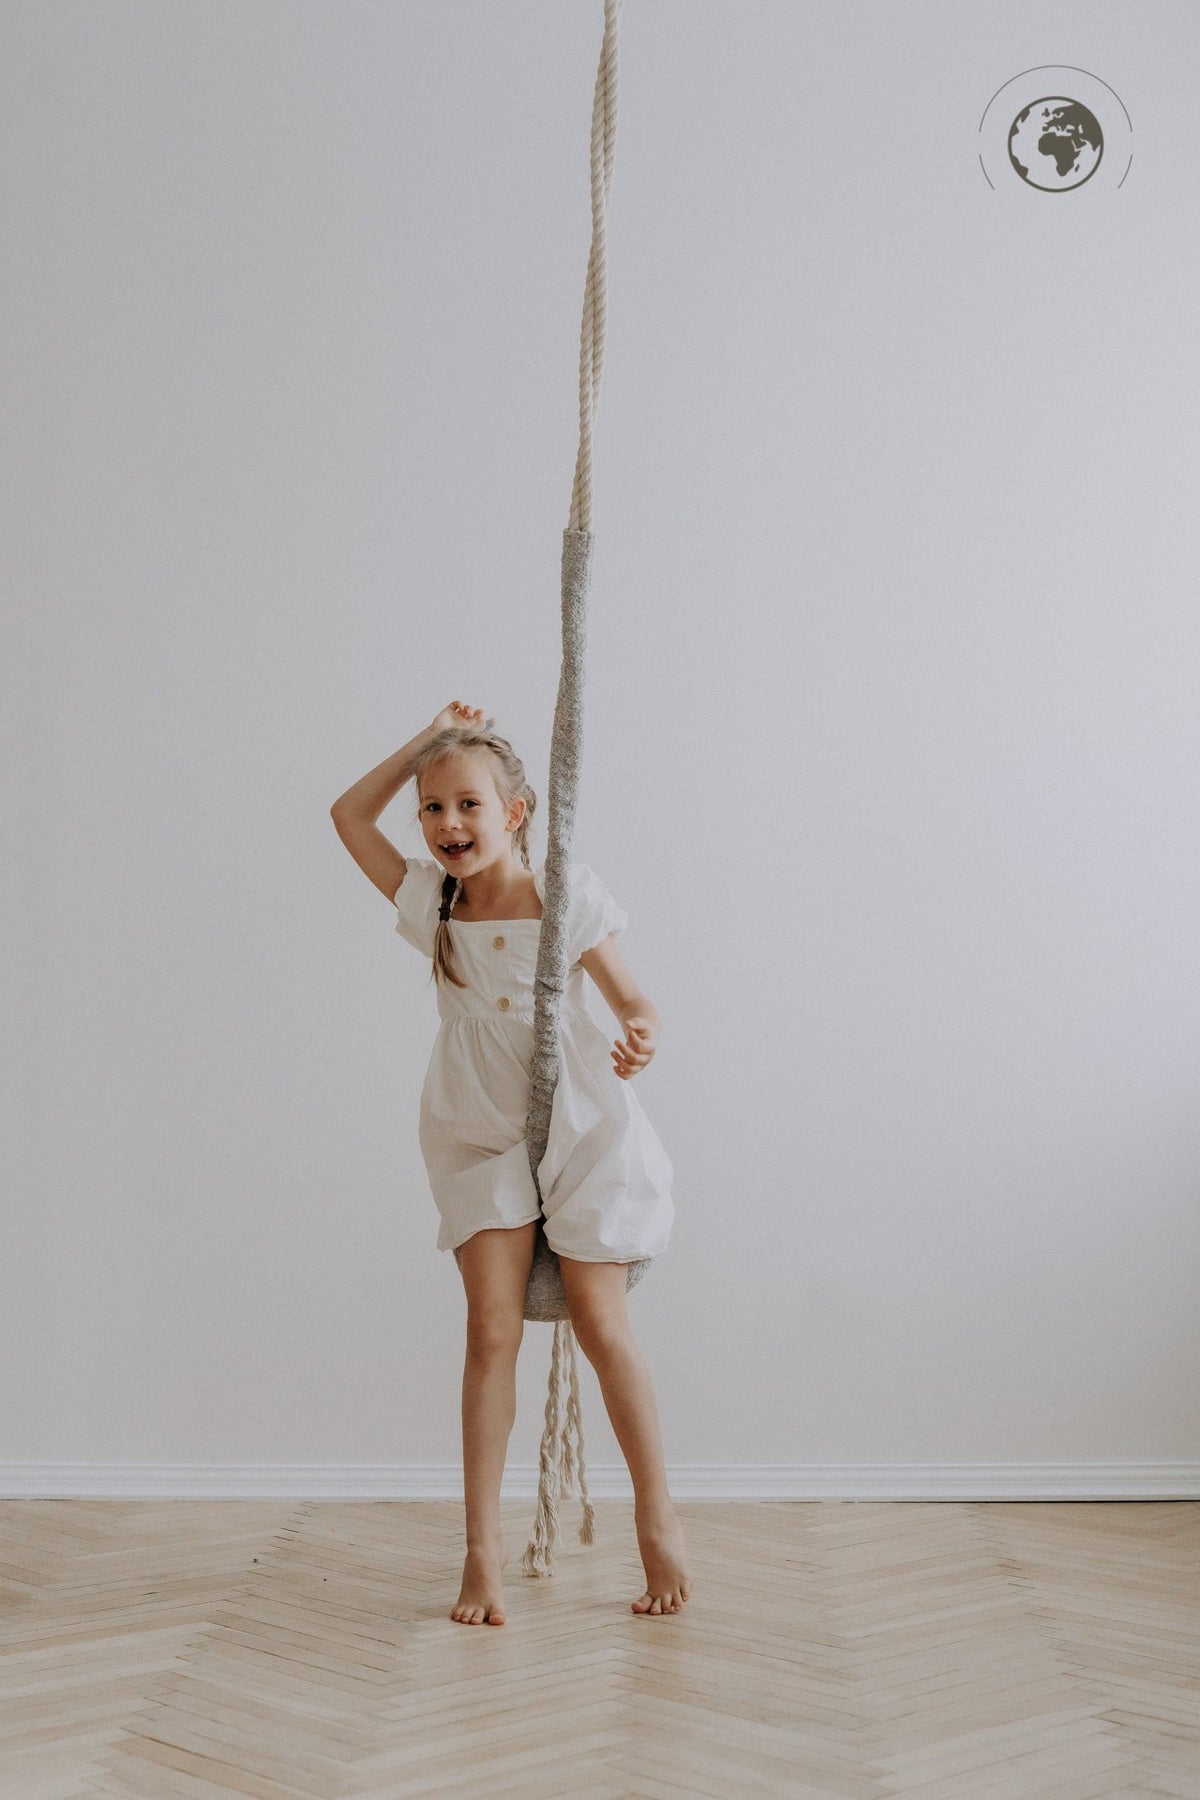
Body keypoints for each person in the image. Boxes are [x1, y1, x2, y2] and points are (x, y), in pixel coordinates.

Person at [331, 700, 692, 1625]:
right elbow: (347, 815)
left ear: (516, 812)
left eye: (469, 805)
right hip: (477, 1126)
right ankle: (481, 1548)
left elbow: (634, 999)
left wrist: (641, 1032)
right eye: (432, 807)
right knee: (491, 1331)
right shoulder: (433, 903)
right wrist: (424, 744)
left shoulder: (565, 895)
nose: (448, 823)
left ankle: (656, 1516)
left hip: (578, 1118)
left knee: (602, 1324)